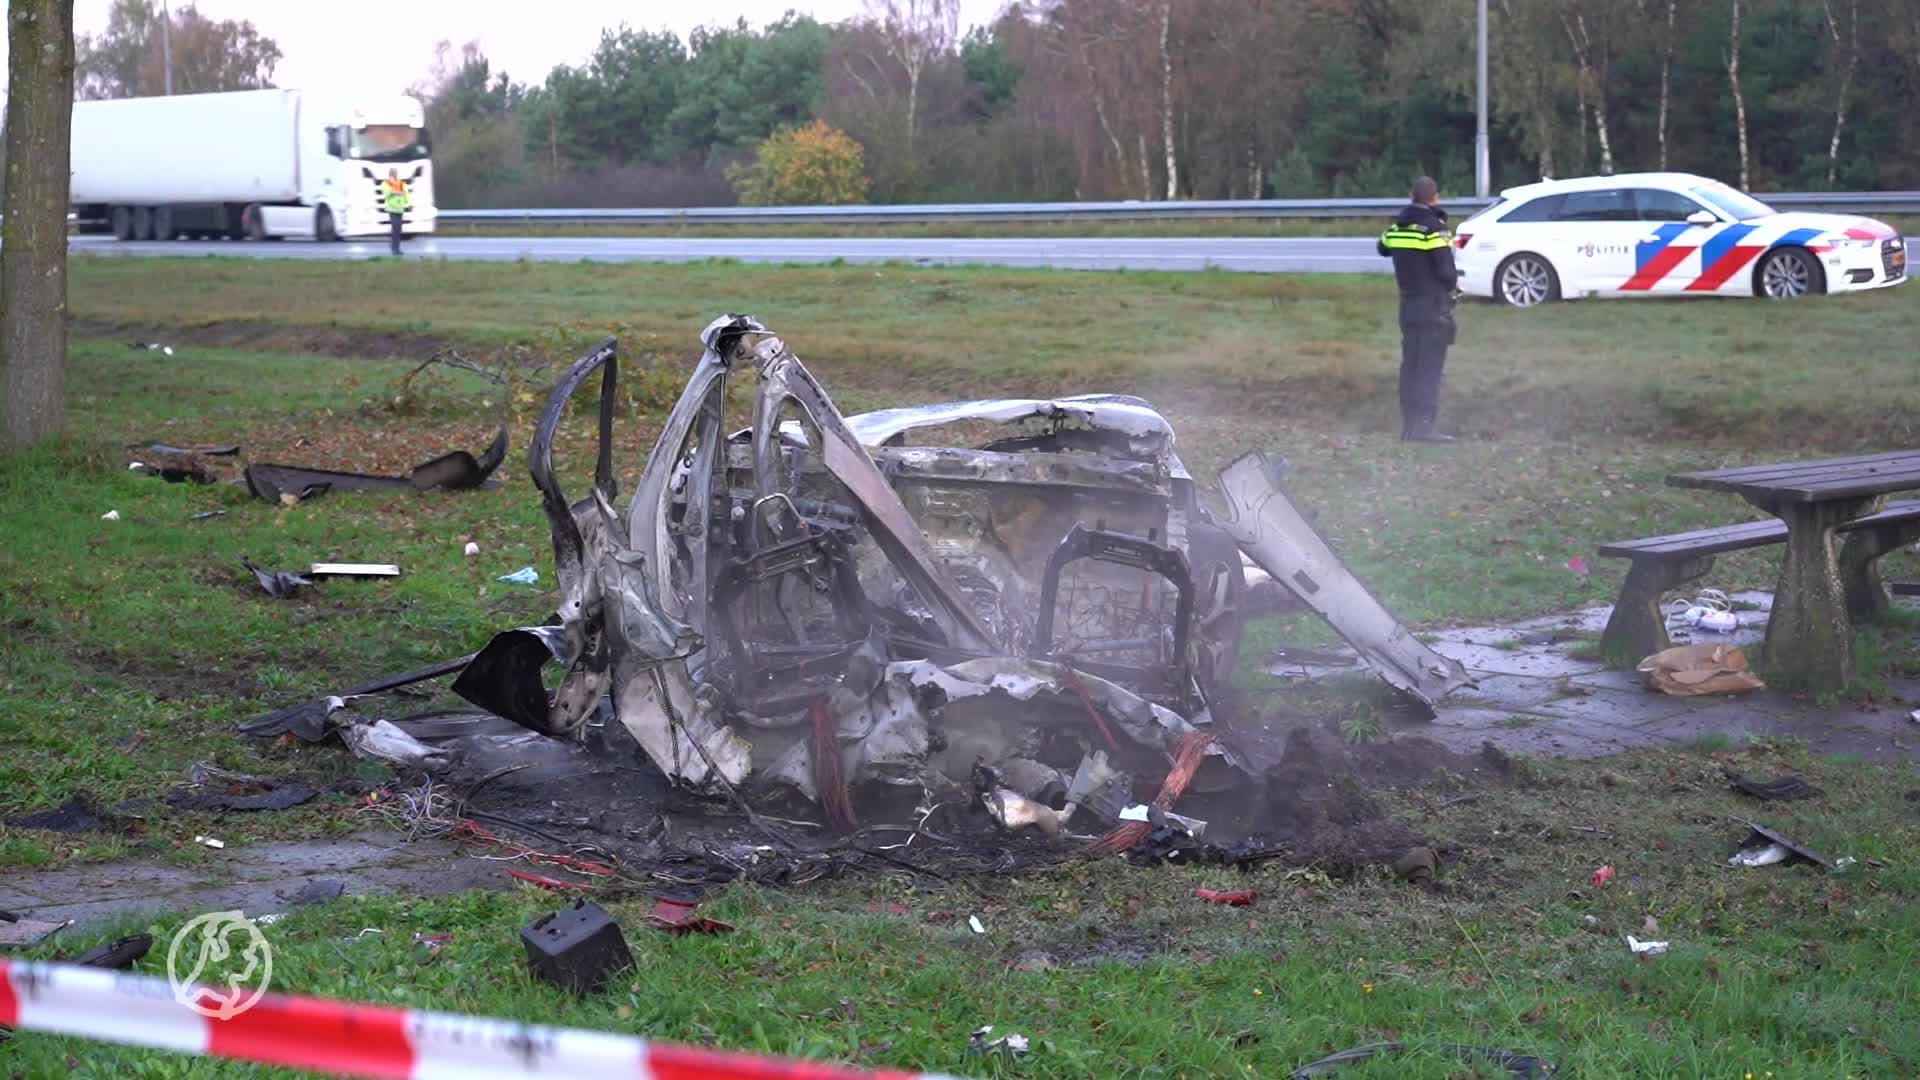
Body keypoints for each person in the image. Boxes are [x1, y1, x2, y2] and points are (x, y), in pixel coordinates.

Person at [1377, 176, 1460, 443]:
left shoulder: (1397, 228)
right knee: (1429, 369)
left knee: (1410, 366)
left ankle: (1409, 425)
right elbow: (1447, 273)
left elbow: (1382, 248)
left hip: (1408, 306)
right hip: (1433, 308)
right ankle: (1424, 427)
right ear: (1435, 197)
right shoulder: (1434, 229)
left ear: (1411, 195)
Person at [382, 168, 412, 256]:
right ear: (390, 174)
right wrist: (395, 192)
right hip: (392, 208)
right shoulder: (386, 183)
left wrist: (408, 203)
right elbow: (386, 194)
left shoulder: (401, 183)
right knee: (395, 228)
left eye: (395, 173)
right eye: (392, 173)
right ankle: (395, 249)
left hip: (400, 208)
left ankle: (395, 247)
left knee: (398, 229)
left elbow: (406, 193)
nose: (394, 175)